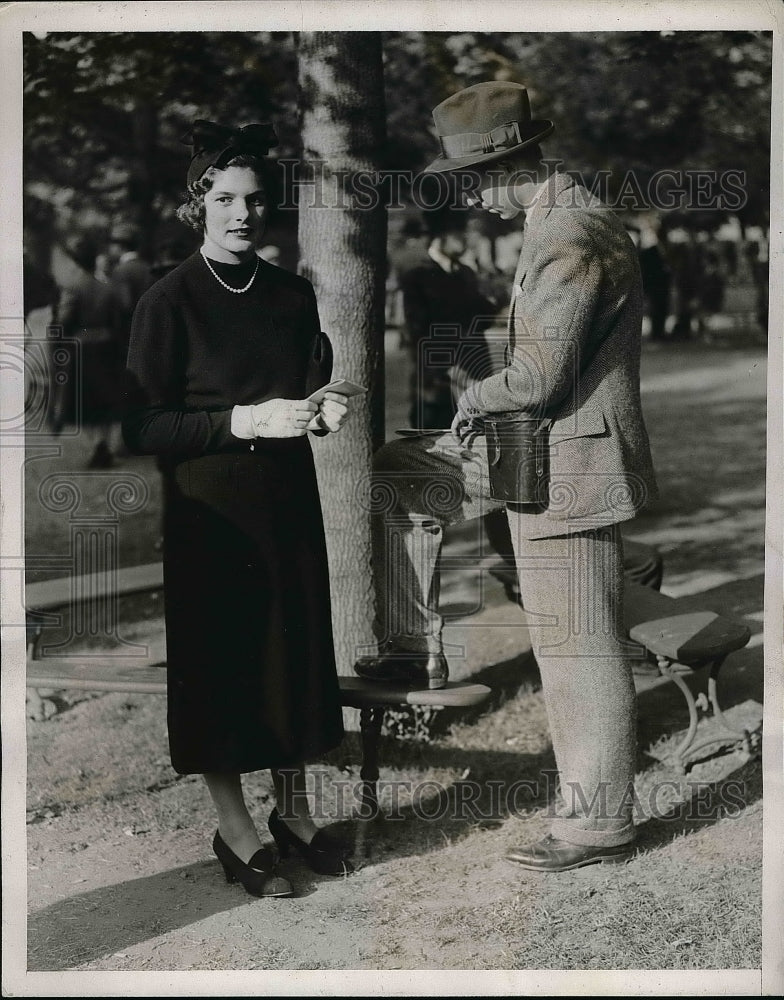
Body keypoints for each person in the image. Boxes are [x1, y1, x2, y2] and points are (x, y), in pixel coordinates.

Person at [354, 82, 658, 871]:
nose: (470, 200)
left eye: (470, 183)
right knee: (402, 471)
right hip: (538, 452)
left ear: (509, 164)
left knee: (578, 646)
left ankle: (598, 827)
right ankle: (412, 648)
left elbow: (541, 377)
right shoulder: (555, 218)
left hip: (570, 459)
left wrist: (474, 394)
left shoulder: (569, 230)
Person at [122, 119, 354, 898]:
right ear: (200, 205)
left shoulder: (291, 296)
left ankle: (294, 813)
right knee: (222, 666)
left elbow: (313, 382)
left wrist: (325, 409)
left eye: (254, 200)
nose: (242, 214)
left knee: (287, 657)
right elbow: (141, 425)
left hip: (287, 505)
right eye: (224, 199)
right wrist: (241, 421)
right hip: (209, 517)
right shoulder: (168, 302)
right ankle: (236, 828)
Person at [56, 235, 125, 467]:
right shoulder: (108, 288)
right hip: (107, 346)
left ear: (76, 262)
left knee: (86, 401)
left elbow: (64, 322)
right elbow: (119, 320)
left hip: (82, 349)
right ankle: (103, 444)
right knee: (105, 399)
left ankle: (97, 446)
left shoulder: (73, 288)